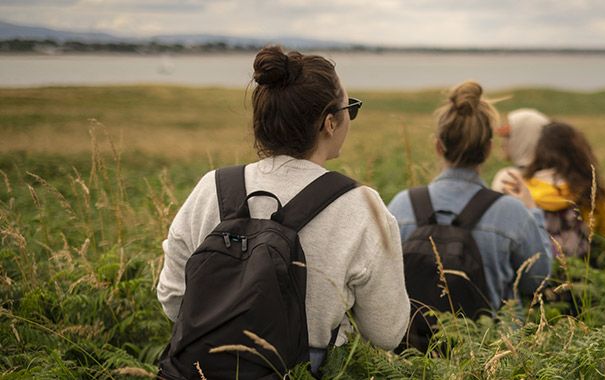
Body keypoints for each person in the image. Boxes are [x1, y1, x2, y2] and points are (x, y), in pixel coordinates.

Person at [156, 45, 409, 374]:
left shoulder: (211, 187)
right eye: (350, 109)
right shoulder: (361, 206)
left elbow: (172, 299)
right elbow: (387, 333)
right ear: (329, 123)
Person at [387, 81, 552, 314]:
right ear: (488, 149)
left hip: (413, 348)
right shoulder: (512, 212)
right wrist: (533, 211)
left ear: (438, 146)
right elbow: (537, 281)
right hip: (493, 347)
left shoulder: (402, 205)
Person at [494, 112, 605, 266]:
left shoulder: (517, 188)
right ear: (582, 153)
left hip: (532, 277)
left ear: (540, 150)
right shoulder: (592, 192)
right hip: (580, 282)